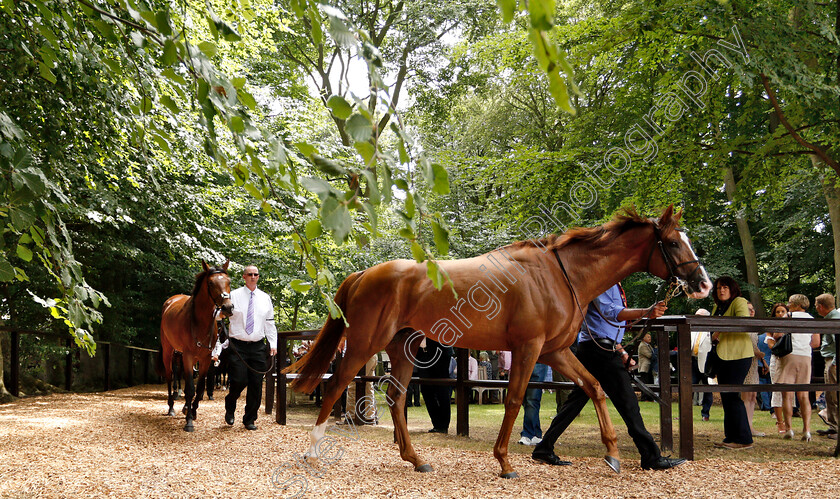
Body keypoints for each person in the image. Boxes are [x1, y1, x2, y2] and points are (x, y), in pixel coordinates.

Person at [532, 283, 685, 470]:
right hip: (600, 351)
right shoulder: (603, 281)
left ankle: (544, 447)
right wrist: (646, 311)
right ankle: (651, 456)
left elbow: (609, 323)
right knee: (628, 403)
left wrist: (620, 350)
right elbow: (611, 312)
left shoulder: (612, 282)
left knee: (575, 403)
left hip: (598, 348)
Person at [223, 265, 277, 430]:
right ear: (244, 276)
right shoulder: (233, 295)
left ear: (258, 277)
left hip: (258, 346)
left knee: (256, 383)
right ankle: (230, 403)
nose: (253, 277)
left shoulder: (265, 298)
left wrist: (273, 343)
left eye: (256, 274)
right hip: (237, 345)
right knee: (239, 380)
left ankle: (250, 419)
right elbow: (221, 315)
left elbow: (269, 322)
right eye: (250, 274)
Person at [709, 276, 753, 450]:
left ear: (732, 288)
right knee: (727, 397)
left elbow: (743, 322)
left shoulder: (739, 301)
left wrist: (718, 331)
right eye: (719, 288)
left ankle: (744, 439)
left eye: (725, 287)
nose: (721, 290)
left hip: (739, 355)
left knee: (733, 396)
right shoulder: (717, 306)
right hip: (722, 355)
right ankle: (731, 437)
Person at [774, 294, 820, 441]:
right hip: (805, 356)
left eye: (790, 302)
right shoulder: (812, 319)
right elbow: (816, 343)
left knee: (787, 395)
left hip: (789, 355)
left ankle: (789, 429)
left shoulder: (788, 316)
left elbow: (777, 335)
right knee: (803, 395)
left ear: (795, 304)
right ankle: (806, 430)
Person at [816, 293, 840, 439]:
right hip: (831, 358)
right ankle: (833, 426)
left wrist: (835, 364)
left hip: (834, 360)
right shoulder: (832, 317)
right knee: (830, 395)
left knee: (834, 394)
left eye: (816, 306)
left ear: (821, 307)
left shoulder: (834, 320)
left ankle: (836, 428)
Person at [417, 338, 452, 433]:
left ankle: (443, 425)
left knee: (441, 388)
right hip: (422, 354)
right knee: (425, 389)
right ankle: (437, 423)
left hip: (440, 352)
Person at [742, 302, 766, 437]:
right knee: (746, 396)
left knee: (752, 396)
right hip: (746, 363)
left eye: (753, 309)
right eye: (748, 309)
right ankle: (747, 427)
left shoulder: (753, 327)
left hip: (754, 364)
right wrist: (759, 354)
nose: (751, 311)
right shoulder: (743, 326)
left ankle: (750, 425)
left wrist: (762, 360)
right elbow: (749, 346)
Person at [765, 302, 790, 434]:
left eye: (783, 311)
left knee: (789, 391)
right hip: (776, 359)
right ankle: (779, 422)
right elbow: (771, 346)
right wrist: (777, 336)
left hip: (789, 359)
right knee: (777, 389)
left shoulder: (791, 326)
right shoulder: (770, 328)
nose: (780, 314)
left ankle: (788, 421)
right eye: (778, 312)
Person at [519, 363, 550, 445]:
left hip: (536, 359)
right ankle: (536, 434)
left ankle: (528, 434)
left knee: (531, 399)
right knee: (527, 400)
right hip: (526, 360)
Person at [691, 308, 713, 421]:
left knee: (707, 388)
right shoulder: (691, 329)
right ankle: (685, 412)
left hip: (706, 363)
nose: (695, 318)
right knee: (688, 388)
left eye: (698, 316)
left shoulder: (710, 330)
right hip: (692, 361)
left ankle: (705, 414)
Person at [637, 332, 654, 401]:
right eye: (648, 337)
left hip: (649, 367)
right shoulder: (642, 346)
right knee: (645, 383)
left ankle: (649, 398)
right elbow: (649, 355)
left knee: (649, 382)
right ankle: (644, 398)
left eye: (650, 337)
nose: (650, 338)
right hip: (644, 367)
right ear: (643, 338)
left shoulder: (648, 345)